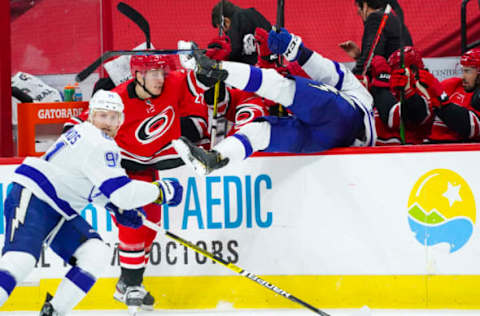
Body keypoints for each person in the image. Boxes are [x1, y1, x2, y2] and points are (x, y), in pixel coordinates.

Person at [0, 90, 183, 316]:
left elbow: (89, 183)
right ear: (91, 116)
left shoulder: (85, 133)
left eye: (113, 117)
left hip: (60, 208)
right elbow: (123, 193)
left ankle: (54, 312)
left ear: (120, 122)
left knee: (95, 253)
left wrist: (114, 207)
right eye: (102, 116)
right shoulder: (99, 144)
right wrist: (160, 191)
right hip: (35, 196)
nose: (107, 122)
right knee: (21, 260)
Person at [63, 54, 207, 311]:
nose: (159, 79)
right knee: (134, 222)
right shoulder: (118, 99)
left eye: (161, 73)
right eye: (153, 73)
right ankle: (132, 284)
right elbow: (79, 123)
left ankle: (127, 284)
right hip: (118, 169)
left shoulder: (171, 82)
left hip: (150, 167)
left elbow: (199, 82)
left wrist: (207, 66)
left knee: (151, 227)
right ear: (137, 75)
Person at [173, 27, 376, 175]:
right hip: (324, 139)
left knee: (281, 85)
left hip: (348, 122)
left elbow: (327, 72)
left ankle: (210, 67)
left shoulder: (357, 94)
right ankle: (213, 160)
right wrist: (294, 50)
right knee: (260, 131)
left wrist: (297, 51)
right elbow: (325, 71)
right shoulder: (329, 91)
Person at [373, 46, 446, 145]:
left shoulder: (424, 84)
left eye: (396, 70)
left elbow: (393, 118)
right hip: (381, 150)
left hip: (409, 152)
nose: (392, 75)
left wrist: (381, 80)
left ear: (413, 70)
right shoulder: (395, 87)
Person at [339, 0, 413, 75]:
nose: (358, 13)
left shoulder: (375, 18)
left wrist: (350, 80)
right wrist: (359, 56)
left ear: (365, 5)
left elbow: (369, 61)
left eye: (358, 8)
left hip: (390, 82)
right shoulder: (393, 18)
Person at [428, 48, 480, 142]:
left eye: (468, 71)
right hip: (429, 146)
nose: (463, 77)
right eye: (463, 71)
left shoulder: (477, 97)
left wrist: (443, 103)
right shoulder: (453, 85)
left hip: (460, 150)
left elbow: (471, 128)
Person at [209, 0, 271, 65]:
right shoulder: (255, 13)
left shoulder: (236, 20)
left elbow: (234, 50)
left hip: (251, 70)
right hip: (269, 66)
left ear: (226, 21)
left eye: (222, 29)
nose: (225, 33)